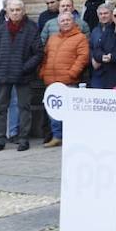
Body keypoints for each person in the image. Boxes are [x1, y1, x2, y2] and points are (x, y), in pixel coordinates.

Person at [0, 0, 41, 153]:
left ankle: (23, 139)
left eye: (18, 10)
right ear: (7, 12)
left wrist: (25, 68)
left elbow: (38, 53)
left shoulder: (32, 28)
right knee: (1, 108)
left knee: (24, 107)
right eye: (12, 10)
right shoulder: (1, 29)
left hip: (23, 75)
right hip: (3, 74)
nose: (15, 13)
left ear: (23, 11)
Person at [37, 11, 88, 149]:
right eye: (63, 20)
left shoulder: (80, 37)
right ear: (58, 23)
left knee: (70, 112)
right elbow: (45, 57)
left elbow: (82, 57)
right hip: (51, 81)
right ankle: (57, 137)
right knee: (53, 111)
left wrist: (72, 73)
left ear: (73, 21)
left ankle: (72, 137)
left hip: (68, 81)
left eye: (68, 20)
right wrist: (43, 72)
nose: (65, 22)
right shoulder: (52, 38)